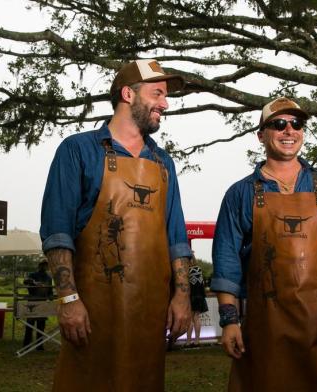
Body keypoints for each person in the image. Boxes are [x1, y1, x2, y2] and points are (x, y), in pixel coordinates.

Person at [40, 59, 192, 391]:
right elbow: (57, 232)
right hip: (92, 313)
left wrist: (182, 296)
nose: (165, 104)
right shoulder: (78, 150)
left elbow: (176, 237)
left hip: (150, 316)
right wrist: (68, 300)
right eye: (158, 94)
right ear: (128, 94)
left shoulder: (163, 163)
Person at [211, 97, 317, 391]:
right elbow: (227, 261)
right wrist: (229, 321)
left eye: (296, 124)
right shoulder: (240, 194)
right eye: (279, 124)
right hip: (269, 331)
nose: (289, 130)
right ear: (261, 135)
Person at [22, 260, 53, 351]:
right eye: (43, 265)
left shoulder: (48, 278)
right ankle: (26, 345)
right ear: (39, 266)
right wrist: (33, 282)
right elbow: (25, 281)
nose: (44, 267)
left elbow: (50, 291)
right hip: (32, 302)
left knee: (41, 325)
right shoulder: (32, 275)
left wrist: (50, 296)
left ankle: (39, 346)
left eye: (46, 265)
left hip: (43, 302)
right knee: (30, 325)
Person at [186, 254, 208, 347]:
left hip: (191, 297)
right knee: (197, 318)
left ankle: (188, 342)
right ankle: (197, 341)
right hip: (200, 296)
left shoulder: (186, 272)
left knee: (191, 319)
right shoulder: (199, 269)